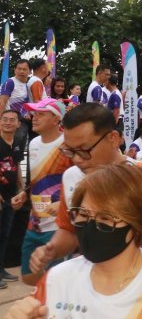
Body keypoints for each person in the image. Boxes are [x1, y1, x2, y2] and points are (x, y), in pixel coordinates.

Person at [6, 163, 142, 318]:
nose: (90, 226)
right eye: (82, 214)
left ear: (136, 225)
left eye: (105, 218)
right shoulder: (57, 280)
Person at [28, 104, 142, 284]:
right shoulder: (70, 177)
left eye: (84, 150)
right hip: (91, 287)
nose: (76, 159)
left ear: (113, 139)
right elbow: (69, 230)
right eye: (69, 150)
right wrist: (51, 249)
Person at [11, 99, 72, 285]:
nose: (34, 118)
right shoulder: (34, 143)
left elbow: (81, 182)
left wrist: (62, 203)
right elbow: (36, 178)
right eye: (33, 114)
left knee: (55, 283)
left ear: (56, 119)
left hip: (58, 227)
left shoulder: (68, 145)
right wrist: (24, 193)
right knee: (29, 277)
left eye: (40, 114)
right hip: (35, 223)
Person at [0, 109, 25, 288]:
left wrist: (22, 189)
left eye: (11, 120)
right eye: (4, 119)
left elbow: (16, 165)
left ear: (18, 124)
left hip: (10, 196)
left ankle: (1, 269)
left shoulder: (17, 141)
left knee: (4, 234)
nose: (7, 122)